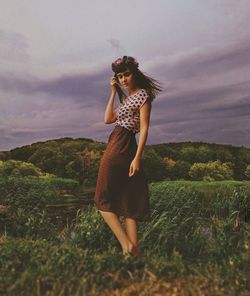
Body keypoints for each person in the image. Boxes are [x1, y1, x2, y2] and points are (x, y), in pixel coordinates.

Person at [94, 56, 162, 257]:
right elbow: (107, 119)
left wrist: (138, 157)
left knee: (101, 199)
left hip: (122, 145)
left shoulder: (143, 96)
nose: (123, 79)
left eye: (126, 74)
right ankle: (134, 256)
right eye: (119, 76)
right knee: (128, 199)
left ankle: (127, 246)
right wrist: (114, 92)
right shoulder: (127, 99)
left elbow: (145, 128)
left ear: (135, 74)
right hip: (122, 143)